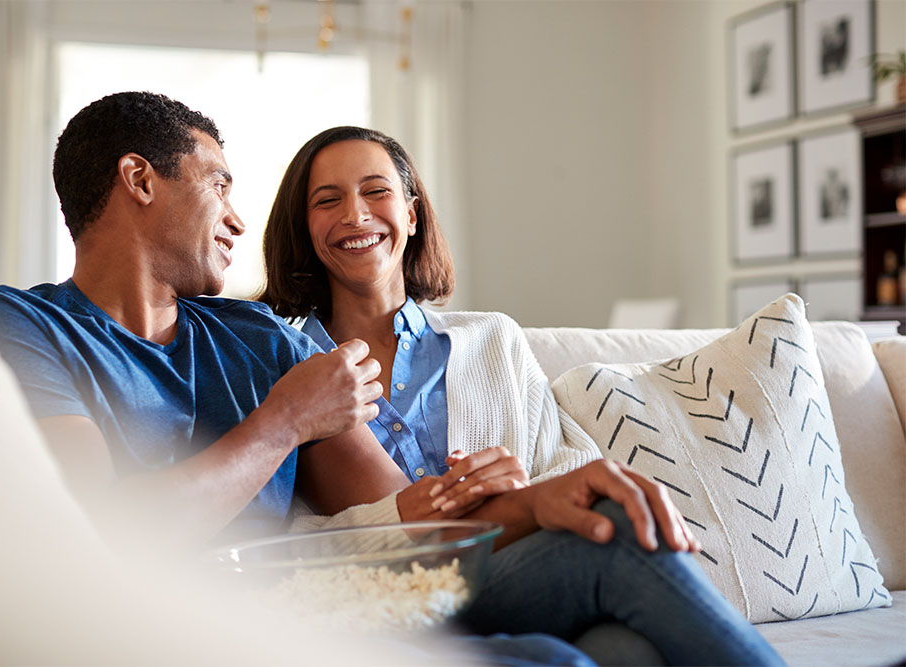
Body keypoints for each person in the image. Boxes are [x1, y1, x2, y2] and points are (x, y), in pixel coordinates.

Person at [260, 126, 785, 666]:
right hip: (373, 603)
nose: (355, 214)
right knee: (620, 541)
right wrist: (444, 509)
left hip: (510, 577)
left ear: (412, 214)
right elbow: (289, 535)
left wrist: (520, 493)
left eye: (376, 191)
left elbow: (572, 465)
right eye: (328, 200)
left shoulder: (494, 339)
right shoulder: (280, 363)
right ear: (305, 228)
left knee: (622, 649)